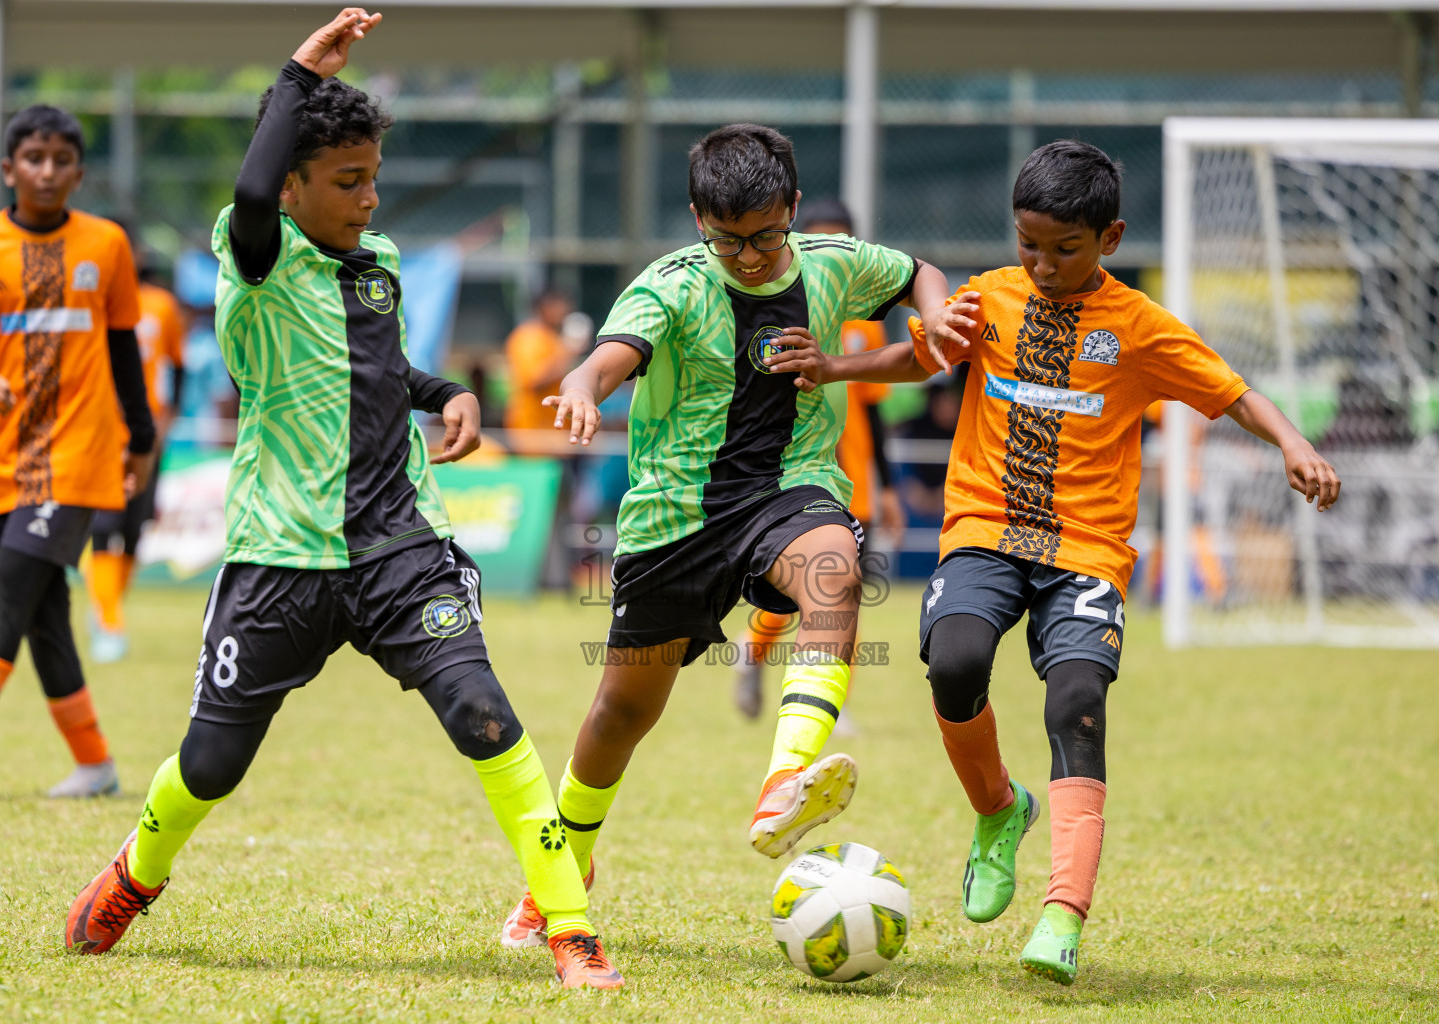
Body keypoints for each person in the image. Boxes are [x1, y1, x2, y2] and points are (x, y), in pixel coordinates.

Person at [64, 10, 623, 991]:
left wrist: (443, 391)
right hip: (280, 553)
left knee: (485, 714)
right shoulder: (259, 259)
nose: (369, 199)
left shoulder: (382, 270)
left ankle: (571, 930)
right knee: (210, 764)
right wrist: (296, 74)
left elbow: (376, 370)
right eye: (347, 181)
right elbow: (245, 187)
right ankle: (134, 873)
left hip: (402, 546)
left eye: (373, 178)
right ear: (292, 187)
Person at [768, 139, 1342, 985]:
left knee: (1076, 702)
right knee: (955, 665)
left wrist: (1293, 441)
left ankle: (1062, 915)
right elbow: (921, 355)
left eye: (1062, 249)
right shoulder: (988, 297)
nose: (1039, 264)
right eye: (1026, 244)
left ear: (1108, 239)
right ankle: (1000, 812)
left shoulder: (1140, 326)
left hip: (1086, 553)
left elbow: (1232, 390)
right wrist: (836, 367)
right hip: (984, 531)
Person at [497, 123, 955, 947]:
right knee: (621, 713)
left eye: (765, 236)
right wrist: (579, 384)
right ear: (697, 218)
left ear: (794, 209)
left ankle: (785, 777)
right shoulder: (668, 286)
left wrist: (938, 320)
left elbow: (919, 274)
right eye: (727, 239)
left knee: (834, 570)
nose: (748, 256)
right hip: (674, 515)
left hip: (788, 487)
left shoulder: (834, 262)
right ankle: (565, 868)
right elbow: (608, 355)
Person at [0, 104, 156, 798]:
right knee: (43, 614)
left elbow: (122, 348)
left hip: (80, 455)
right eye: (33, 159)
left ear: (78, 172)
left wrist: (141, 439)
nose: (47, 171)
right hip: (6, 460)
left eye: (60, 160)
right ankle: (96, 764)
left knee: (8, 595)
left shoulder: (106, 244)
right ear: (8, 168)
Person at [732, 197, 905, 720]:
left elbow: (874, 415)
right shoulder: (782, 313)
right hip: (802, 474)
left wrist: (888, 485)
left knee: (841, 589)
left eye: (844, 241)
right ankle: (756, 648)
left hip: (855, 479)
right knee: (793, 587)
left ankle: (830, 700)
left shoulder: (869, 326)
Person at [84, 231, 189, 663]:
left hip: (147, 435)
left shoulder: (161, 305)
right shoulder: (91, 302)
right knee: (103, 530)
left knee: (132, 533)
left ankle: (107, 607)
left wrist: (167, 418)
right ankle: (109, 622)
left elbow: (177, 365)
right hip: (104, 433)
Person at [503, 289, 588, 453]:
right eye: (558, 305)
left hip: (555, 431)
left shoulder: (553, 337)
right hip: (532, 431)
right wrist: (569, 351)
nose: (564, 310)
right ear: (543, 308)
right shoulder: (529, 336)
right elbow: (535, 381)